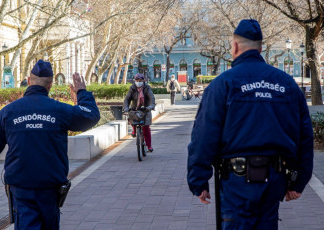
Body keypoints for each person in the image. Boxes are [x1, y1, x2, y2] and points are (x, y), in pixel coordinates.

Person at [187, 19, 313, 229]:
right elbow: (305, 135)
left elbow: (203, 135)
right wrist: (298, 181)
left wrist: (198, 180)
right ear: (260, 48)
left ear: (235, 46)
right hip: (275, 178)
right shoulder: (287, 84)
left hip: (237, 182)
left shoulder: (223, 84)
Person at [0, 60, 100, 230]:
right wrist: (81, 92)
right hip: (50, 187)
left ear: (29, 81)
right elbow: (90, 115)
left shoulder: (9, 112)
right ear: (50, 84)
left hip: (21, 186)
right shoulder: (60, 111)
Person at [124, 73, 156, 152]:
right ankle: (134, 130)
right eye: (137, 80)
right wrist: (126, 108)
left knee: (146, 128)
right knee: (131, 117)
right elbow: (127, 99)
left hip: (145, 109)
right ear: (135, 81)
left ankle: (149, 146)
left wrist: (150, 107)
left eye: (140, 80)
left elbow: (152, 98)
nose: (138, 82)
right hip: (135, 109)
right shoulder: (132, 88)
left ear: (143, 80)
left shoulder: (147, 88)